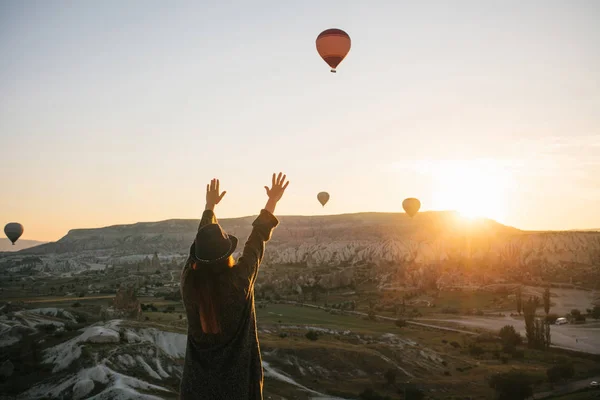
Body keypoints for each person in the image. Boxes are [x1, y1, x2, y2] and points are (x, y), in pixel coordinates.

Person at [179, 172, 290, 400]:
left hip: (196, 389)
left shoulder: (189, 283)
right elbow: (256, 241)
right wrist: (272, 201)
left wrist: (209, 207)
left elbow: (200, 247)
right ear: (227, 254)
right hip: (237, 389)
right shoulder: (238, 283)